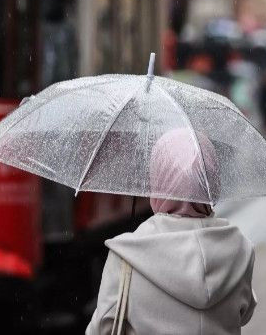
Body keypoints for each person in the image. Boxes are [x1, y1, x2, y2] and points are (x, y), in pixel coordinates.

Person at [86, 128, 256, 334]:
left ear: (159, 179)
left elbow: (103, 328)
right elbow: (245, 313)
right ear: (212, 181)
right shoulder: (241, 249)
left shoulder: (127, 256)